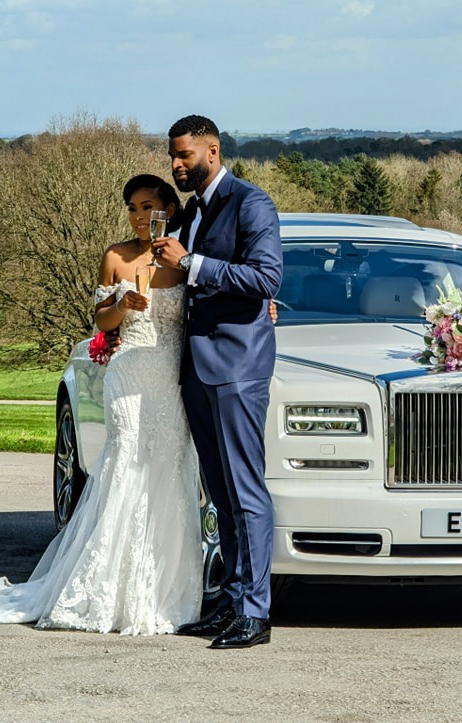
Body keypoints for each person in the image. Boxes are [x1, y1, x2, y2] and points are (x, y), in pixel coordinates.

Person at [0, 175, 203, 634]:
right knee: (126, 462)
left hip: (171, 377)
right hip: (128, 372)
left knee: (169, 469)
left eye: (147, 205)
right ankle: (108, 586)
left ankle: (161, 588)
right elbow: (100, 320)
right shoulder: (115, 256)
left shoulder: (185, 258)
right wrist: (123, 306)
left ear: (169, 209)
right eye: (131, 206)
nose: (138, 215)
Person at [152, 115, 282, 650]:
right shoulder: (192, 211)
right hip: (195, 369)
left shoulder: (251, 202)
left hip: (236, 367)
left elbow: (266, 279)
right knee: (222, 495)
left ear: (212, 148)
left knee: (246, 490)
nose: (177, 165)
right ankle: (231, 602)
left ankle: (256, 613)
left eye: (185, 155)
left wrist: (194, 264)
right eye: (172, 157)